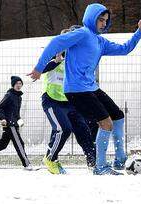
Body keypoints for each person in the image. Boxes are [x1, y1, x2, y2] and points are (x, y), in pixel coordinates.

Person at [28, 3, 141, 175]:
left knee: (117, 115)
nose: (103, 23)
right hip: (77, 90)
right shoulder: (82, 33)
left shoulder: (100, 40)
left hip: (91, 88)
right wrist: (40, 67)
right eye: (100, 19)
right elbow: (56, 42)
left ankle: (120, 158)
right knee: (105, 123)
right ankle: (100, 167)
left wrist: (140, 32)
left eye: (105, 21)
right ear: (91, 18)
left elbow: (124, 49)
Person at [41, 27, 97, 174]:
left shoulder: (76, 57)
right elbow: (41, 69)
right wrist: (55, 61)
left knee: (84, 131)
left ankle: (93, 163)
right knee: (63, 129)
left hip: (70, 101)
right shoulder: (54, 54)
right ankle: (50, 158)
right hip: (52, 100)